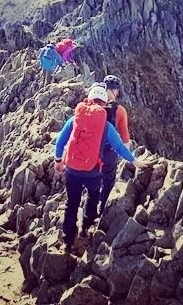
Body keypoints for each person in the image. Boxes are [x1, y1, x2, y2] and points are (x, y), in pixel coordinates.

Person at [54, 82, 134, 252]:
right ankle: (85, 228)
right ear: (104, 104)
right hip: (92, 172)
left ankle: (68, 240)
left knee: (71, 203)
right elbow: (120, 147)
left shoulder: (75, 117)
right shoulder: (106, 125)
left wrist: (58, 160)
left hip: (72, 169)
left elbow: (60, 141)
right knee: (92, 197)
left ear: (89, 99)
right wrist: (134, 161)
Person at [99, 74, 131, 214]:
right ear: (115, 91)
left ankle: (88, 209)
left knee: (92, 177)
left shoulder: (92, 105)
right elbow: (125, 136)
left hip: (91, 148)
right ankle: (102, 206)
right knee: (108, 180)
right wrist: (129, 156)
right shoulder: (120, 110)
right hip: (109, 151)